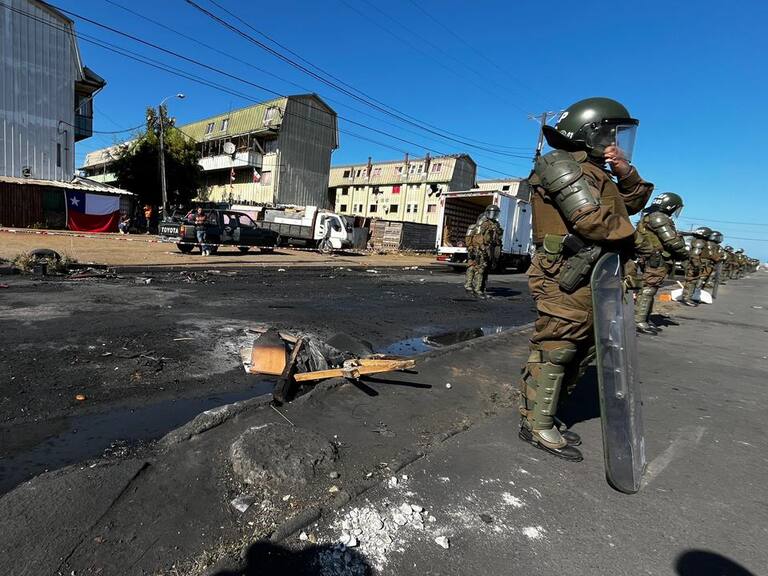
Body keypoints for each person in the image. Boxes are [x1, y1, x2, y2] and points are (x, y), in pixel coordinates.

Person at [518, 97, 654, 461]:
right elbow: (589, 219)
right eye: (611, 134)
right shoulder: (559, 164)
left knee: (585, 348)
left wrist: (625, 172)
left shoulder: (596, 171)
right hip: (564, 274)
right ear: (590, 132)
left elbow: (628, 206)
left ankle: (546, 413)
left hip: (591, 275)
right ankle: (536, 422)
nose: (615, 142)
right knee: (558, 346)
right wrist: (636, 238)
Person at [633, 193, 688, 333]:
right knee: (648, 289)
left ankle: (644, 318)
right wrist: (684, 254)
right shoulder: (659, 217)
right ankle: (639, 321)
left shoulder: (651, 216)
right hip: (655, 259)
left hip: (653, 258)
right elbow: (672, 241)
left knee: (650, 288)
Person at [464, 205, 503, 297]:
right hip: (480, 249)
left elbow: (497, 238)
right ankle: (476, 289)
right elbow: (479, 237)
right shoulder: (483, 223)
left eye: (495, 213)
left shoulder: (496, 224)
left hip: (490, 249)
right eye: (492, 213)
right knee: (478, 268)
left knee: (484, 269)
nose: (493, 215)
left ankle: (479, 287)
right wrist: (480, 247)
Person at [680, 226, 712, 306]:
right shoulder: (700, 242)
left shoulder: (700, 241)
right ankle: (686, 299)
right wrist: (696, 266)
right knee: (691, 282)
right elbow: (694, 255)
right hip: (694, 266)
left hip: (696, 265)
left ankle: (688, 297)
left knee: (693, 282)